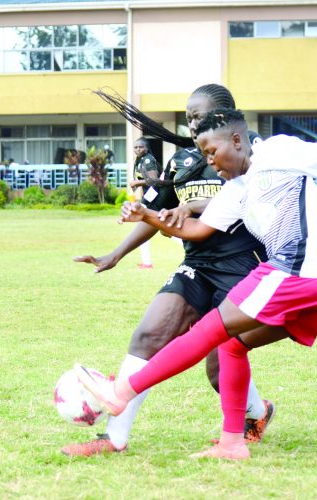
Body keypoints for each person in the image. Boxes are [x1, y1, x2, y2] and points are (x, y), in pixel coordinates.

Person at [74, 108, 317, 460]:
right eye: (204, 153)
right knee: (233, 346)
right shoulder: (237, 190)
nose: (210, 161)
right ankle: (232, 443)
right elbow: (197, 229)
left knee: (208, 331)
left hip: (301, 272)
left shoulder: (276, 150)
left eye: (212, 152)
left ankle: (120, 392)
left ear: (237, 140)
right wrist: (147, 215)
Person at [63, 85, 274, 457]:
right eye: (188, 117)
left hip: (245, 270)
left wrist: (195, 208)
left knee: (218, 368)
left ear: (227, 114)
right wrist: (116, 254)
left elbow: (255, 196)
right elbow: (157, 211)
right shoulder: (183, 161)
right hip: (198, 265)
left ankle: (258, 413)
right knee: (148, 336)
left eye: (199, 116)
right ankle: (113, 438)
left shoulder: (251, 149)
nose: (192, 124)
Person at [129, 137, 162, 269]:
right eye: (135, 147)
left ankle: (147, 262)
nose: (138, 149)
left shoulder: (148, 159)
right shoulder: (139, 160)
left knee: (161, 229)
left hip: (154, 197)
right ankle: (146, 262)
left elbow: (154, 180)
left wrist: (137, 183)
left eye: (140, 147)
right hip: (149, 196)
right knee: (146, 226)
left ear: (146, 148)